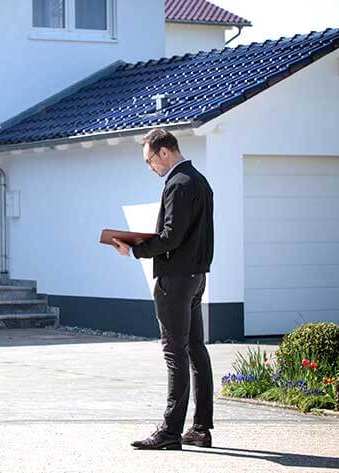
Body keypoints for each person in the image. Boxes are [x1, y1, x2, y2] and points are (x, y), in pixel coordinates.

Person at [112, 128, 215, 450]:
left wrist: (135, 248)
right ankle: (199, 429)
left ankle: (170, 433)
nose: (150, 167)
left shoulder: (178, 184)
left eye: (149, 160)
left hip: (175, 280)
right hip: (197, 276)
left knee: (175, 353)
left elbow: (171, 236)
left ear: (165, 152)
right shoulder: (200, 181)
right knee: (196, 350)